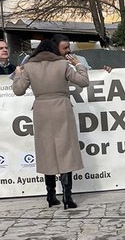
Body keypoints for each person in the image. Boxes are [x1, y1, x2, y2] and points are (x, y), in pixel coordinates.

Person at [12, 33, 89, 209]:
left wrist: (18, 74)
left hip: (41, 110)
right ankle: (67, 197)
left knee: (46, 151)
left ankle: (50, 195)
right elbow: (83, 82)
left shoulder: (29, 67)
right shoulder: (62, 64)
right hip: (62, 107)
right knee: (66, 150)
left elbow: (18, 90)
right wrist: (78, 65)